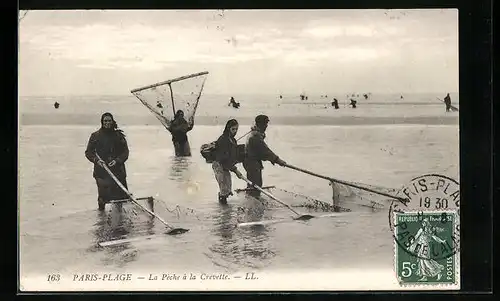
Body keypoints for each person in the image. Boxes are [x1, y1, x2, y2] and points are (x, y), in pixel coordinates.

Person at [85, 112, 129, 211]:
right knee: (103, 199)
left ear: (112, 121)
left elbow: (125, 152)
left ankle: (120, 222)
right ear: (102, 122)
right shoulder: (95, 136)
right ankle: (101, 222)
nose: (107, 123)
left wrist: (117, 161)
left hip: (118, 172)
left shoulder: (119, 136)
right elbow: (88, 152)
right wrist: (97, 161)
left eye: (109, 121)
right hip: (102, 173)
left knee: (120, 200)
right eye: (105, 121)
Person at [243, 115, 286, 197]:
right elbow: (265, 151)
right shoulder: (255, 136)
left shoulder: (255, 134)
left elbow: (262, 153)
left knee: (254, 183)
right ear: (260, 124)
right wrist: (277, 160)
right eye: (265, 123)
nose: (266, 126)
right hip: (252, 163)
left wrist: (272, 160)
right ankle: (253, 199)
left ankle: (252, 199)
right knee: (256, 184)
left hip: (252, 162)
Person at [212, 119, 244, 204]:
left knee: (228, 189)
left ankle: (224, 211)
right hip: (219, 165)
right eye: (233, 129)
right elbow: (223, 158)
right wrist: (236, 170)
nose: (235, 131)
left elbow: (233, 156)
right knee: (224, 190)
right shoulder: (223, 140)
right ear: (228, 128)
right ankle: (223, 211)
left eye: (237, 129)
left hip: (226, 166)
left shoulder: (233, 140)